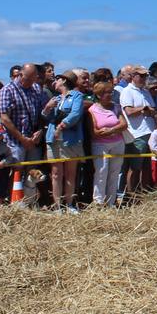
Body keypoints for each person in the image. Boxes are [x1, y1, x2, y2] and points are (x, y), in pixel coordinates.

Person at [45, 71, 85, 212]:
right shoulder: (54, 98)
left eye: (57, 79)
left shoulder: (77, 96)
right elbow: (44, 116)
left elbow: (75, 114)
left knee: (70, 173)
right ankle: (57, 206)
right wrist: (48, 107)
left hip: (70, 139)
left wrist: (61, 127)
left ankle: (69, 204)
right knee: (56, 173)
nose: (54, 82)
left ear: (63, 80)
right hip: (53, 139)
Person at [119, 66, 157, 198]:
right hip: (137, 133)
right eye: (141, 76)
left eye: (145, 76)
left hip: (149, 132)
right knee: (135, 166)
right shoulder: (127, 91)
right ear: (133, 76)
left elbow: (152, 109)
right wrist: (143, 109)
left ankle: (143, 192)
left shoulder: (145, 92)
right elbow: (128, 111)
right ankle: (130, 194)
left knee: (146, 166)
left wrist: (148, 110)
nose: (143, 78)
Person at [88, 82, 126, 205]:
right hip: (100, 145)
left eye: (111, 92)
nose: (110, 95)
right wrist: (114, 129)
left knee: (115, 172)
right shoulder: (92, 110)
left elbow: (123, 124)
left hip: (118, 143)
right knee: (101, 171)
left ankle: (111, 201)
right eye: (106, 93)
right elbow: (94, 132)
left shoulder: (116, 107)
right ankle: (98, 201)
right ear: (99, 95)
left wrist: (111, 130)